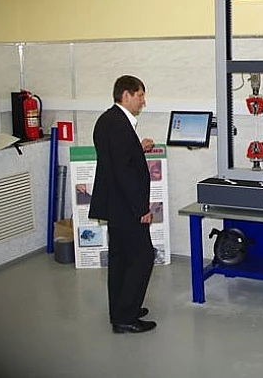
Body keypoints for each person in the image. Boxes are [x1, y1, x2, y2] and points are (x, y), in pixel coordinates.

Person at [88, 74, 157, 334]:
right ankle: (126, 318)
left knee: (121, 259)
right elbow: (124, 172)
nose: (143, 101)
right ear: (126, 95)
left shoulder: (108, 120)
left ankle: (120, 310)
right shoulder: (119, 124)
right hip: (127, 206)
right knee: (142, 257)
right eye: (140, 95)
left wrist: (138, 149)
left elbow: (119, 158)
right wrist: (142, 209)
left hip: (115, 204)